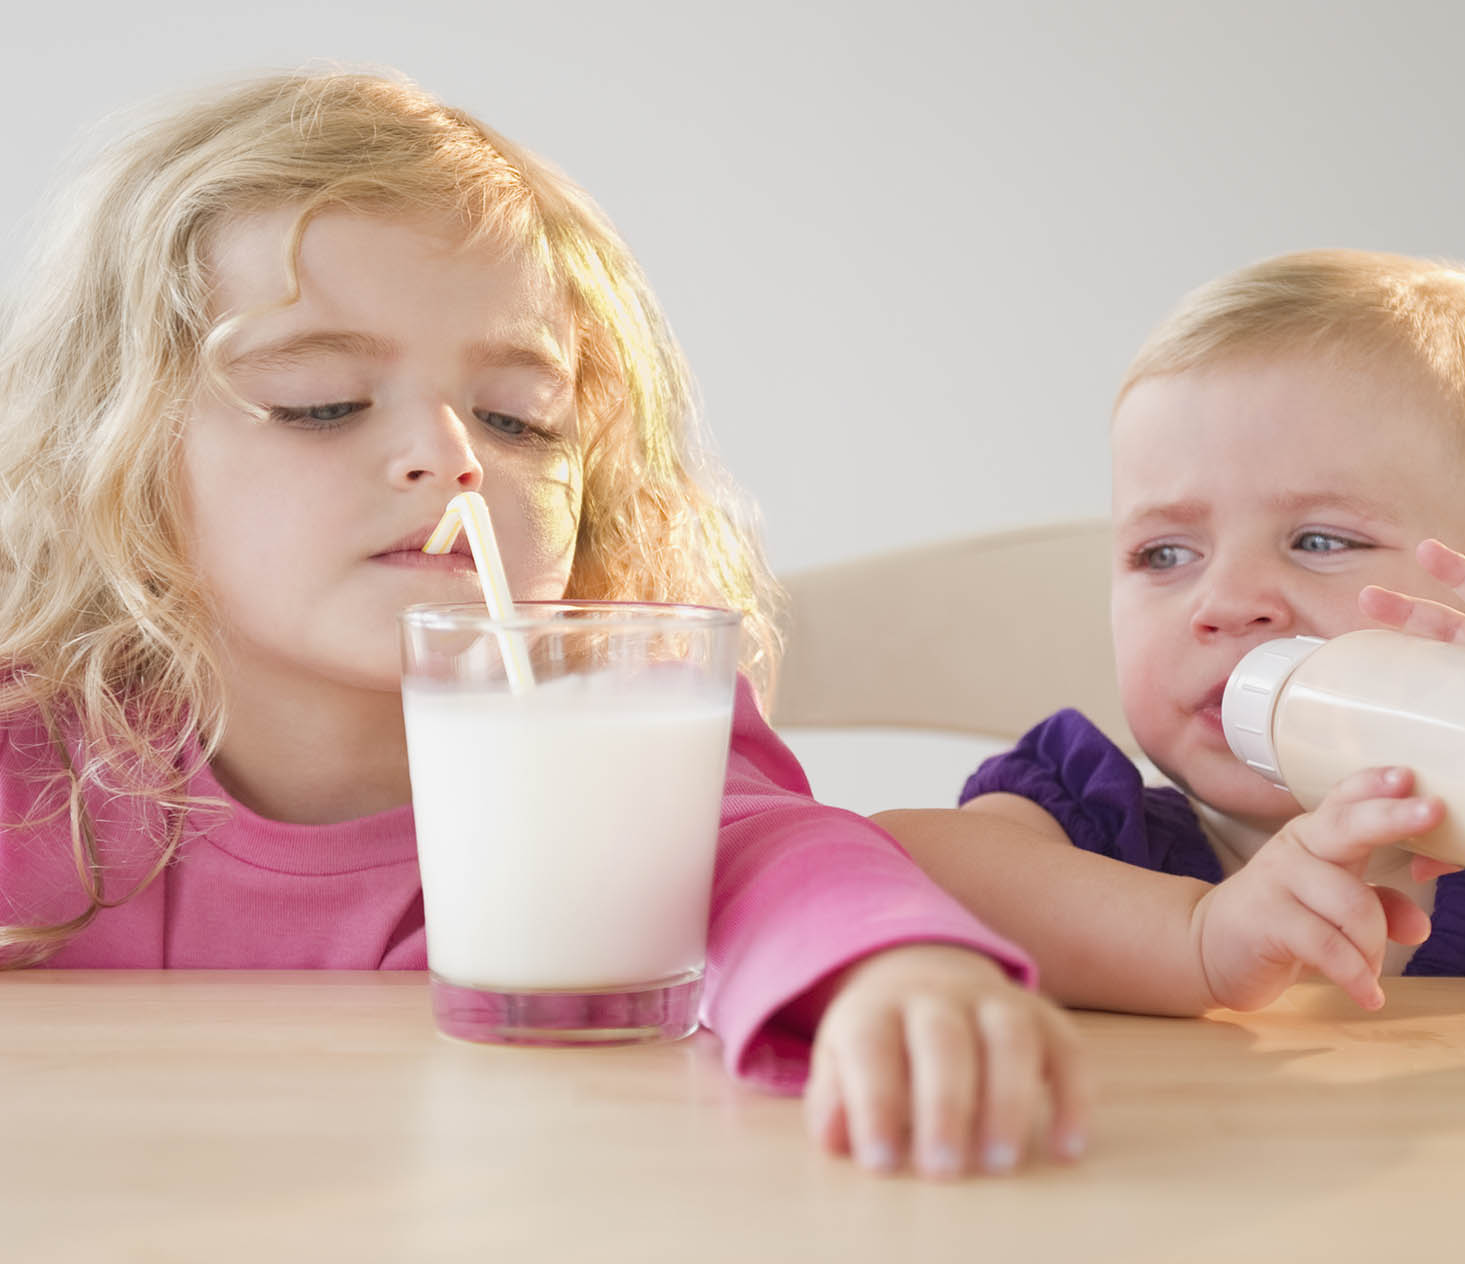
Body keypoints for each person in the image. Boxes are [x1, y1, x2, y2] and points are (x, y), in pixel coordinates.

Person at [0, 69, 1084, 1179]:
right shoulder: (27, 747)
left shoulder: (615, 723)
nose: (453, 458)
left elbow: (771, 861)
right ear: (113, 454)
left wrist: (894, 972)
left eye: (517, 420)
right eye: (323, 402)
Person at [875, 248, 1465, 1017]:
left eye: (1320, 540)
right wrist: (1196, 937)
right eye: (1165, 554)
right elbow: (889, 868)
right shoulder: (1087, 833)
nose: (1227, 602)